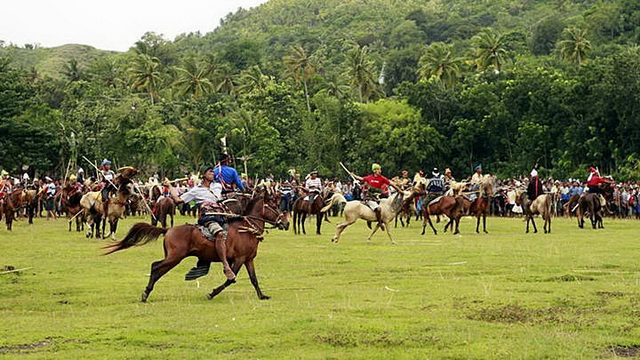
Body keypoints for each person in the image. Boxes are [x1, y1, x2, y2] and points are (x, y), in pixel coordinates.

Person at [170, 165, 236, 281]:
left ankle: (207, 260)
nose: (213, 173)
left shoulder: (218, 186)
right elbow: (178, 200)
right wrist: (170, 187)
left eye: (213, 172)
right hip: (209, 217)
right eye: (210, 172)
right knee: (219, 234)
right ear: (204, 175)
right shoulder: (196, 190)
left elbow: (229, 190)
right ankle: (226, 266)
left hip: (221, 215)